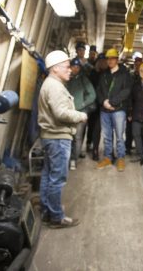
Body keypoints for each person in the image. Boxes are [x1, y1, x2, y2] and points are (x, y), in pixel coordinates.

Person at [38, 50, 87, 228]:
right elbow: (60, 113)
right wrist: (80, 115)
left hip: (50, 136)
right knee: (57, 178)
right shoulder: (55, 86)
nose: (70, 70)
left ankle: (47, 210)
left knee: (48, 175)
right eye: (66, 67)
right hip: (58, 137)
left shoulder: (50, 83)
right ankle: (56, 218)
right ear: (55, 68)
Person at [96, 48, 132, 171]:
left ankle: (120, 158)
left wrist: (112, 102)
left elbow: (126, 91)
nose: (110, 61)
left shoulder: (124, 74)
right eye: (108, 59)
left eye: (112, 58)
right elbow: (99, 90)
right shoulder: (104, 74)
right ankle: (107, 157)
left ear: (117, 59)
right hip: (105, 110)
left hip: (119, 110)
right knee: (106, 136)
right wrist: (104, 102)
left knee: (120, 136)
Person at [66, 57, 96, 170]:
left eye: (78, 67)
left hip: (80, 113)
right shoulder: (66, 79)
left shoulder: (84, 79)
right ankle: (66, 158)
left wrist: (82, 104)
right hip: (67, 112)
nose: (75, 69)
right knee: (67, 136)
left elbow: (92, 95)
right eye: (73, 66)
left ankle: (74, 159)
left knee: (77, 137)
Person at [87, 52, 108, 160]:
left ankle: (95, 149)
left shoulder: (108, 74)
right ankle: (88, 143)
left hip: (103, 104)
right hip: (93, 104)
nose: (102, 63)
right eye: (100, 61)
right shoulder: (93, 73)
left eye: (104, 61)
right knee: (91, 125)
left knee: (97, 127)